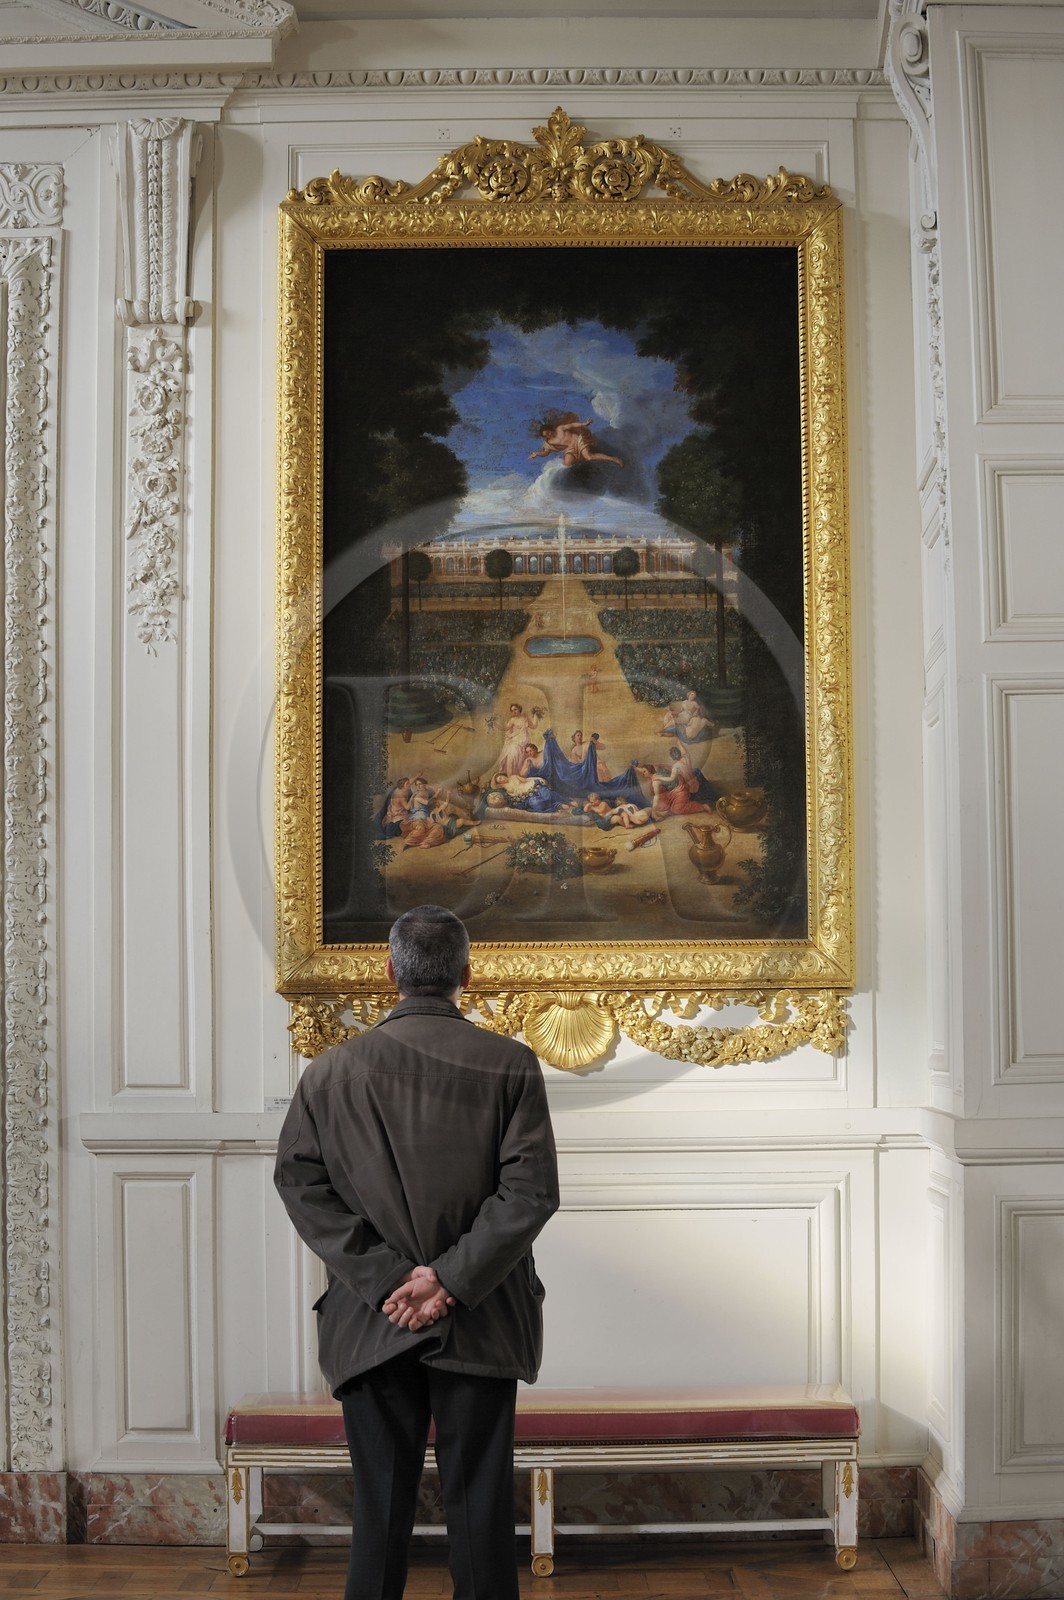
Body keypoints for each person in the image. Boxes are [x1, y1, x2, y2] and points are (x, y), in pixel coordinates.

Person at [274, 905, 559, 1600]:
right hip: (483, 1318)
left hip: (372, 1323)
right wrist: (449, 1282)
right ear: (467, 973)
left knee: (378, 1518)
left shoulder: (328, 1072)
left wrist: (391, 1281)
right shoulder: (512, 1064)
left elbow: (300, 1185)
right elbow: (529, 1193)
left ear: (391, 973)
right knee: (481, 1516)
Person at [528, 411, 623, 468]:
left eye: (548, 432)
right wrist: (537, 454)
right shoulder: (548, 443)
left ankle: (613, 459)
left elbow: (572, 425)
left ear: (550, 429)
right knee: (567, 463)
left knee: (589, 457)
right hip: (570, 449)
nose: (548, 435)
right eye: (546, 436)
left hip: (578, 440)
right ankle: (583, 466)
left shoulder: (559, 429)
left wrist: (584, 424)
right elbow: (546, 453)